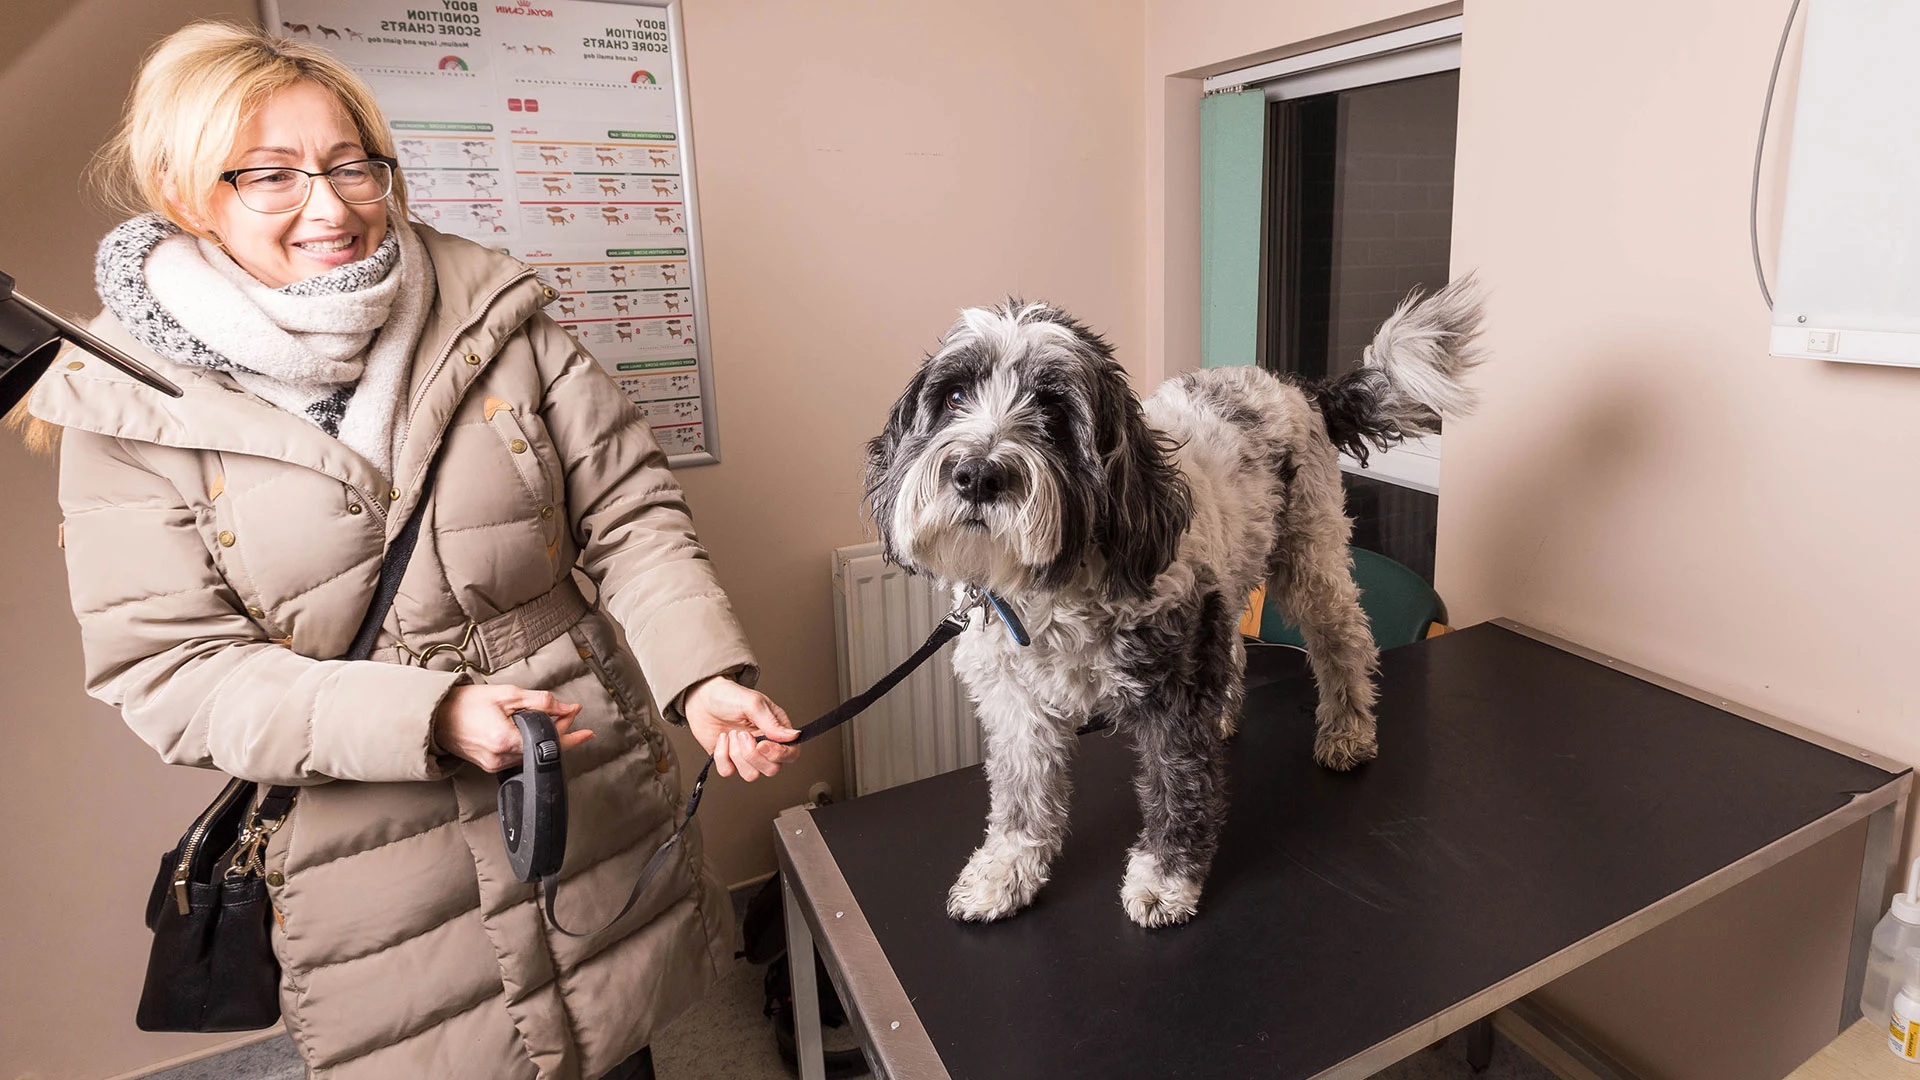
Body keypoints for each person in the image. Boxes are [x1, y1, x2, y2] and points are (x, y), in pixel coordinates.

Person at [24, 21, 799, 1080]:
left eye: (353, 165)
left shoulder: (495, 313)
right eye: (271, 176)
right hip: (375, 863)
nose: (331, 206)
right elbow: (168, 671)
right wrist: (425, 716)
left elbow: (630, 514)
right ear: (180, 187)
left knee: (620, 1045)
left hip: (587, 791)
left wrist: (701, 676)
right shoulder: (125, 411)